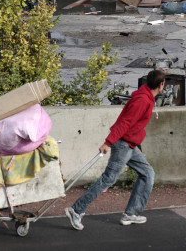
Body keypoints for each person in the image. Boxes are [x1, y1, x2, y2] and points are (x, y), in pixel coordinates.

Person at [64, 69, 165, 230]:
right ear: (161, 85)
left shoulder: (145, 96)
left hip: (131, 145)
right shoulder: (143, 101)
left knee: (148, 174)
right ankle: (76, 210)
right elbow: (125, 122)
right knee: (108, 179)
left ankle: (131, 214)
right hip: (123, 144)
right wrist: (108, 142)